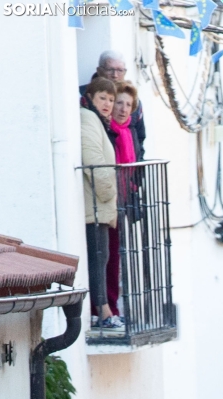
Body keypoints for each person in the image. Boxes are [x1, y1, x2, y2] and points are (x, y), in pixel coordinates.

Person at [81, 78, 119, 330]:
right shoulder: (88, 119)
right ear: (91, 98)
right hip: (96, 205)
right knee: (98, 258)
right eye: (102, 98)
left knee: (102, 257)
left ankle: (104, 310)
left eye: (111, 99)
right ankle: (103, 312)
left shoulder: (97, 121)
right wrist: (109, 191)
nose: (107, 104)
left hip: (99, 206)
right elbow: (93, 158)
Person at [105, 80, 140, 325]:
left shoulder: (129, 132)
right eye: (119, 102)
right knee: (108, 257)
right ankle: (108, 308)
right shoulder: (108, 131)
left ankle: (115, 306)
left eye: (128, 104)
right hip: (109, 201)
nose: (123, 108)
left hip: (124, 201)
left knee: (117, 257)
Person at [81, 51, 146, 160]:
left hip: (130, 173)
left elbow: (140, 138)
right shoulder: (83, 96)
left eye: (120, 70)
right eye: (110, 69)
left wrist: (139, 171)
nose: (115, 75)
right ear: (99, 70)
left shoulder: (134, 100)